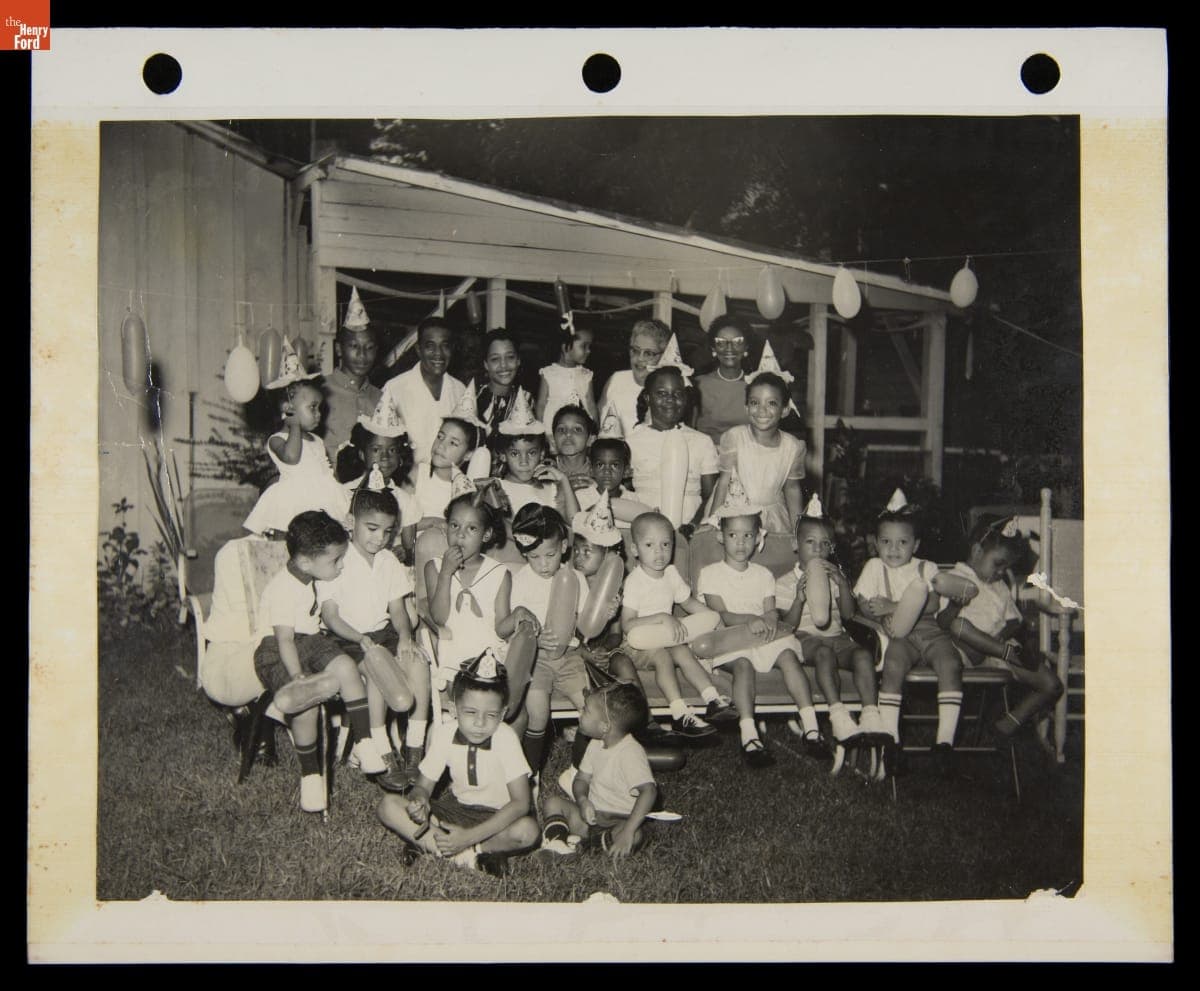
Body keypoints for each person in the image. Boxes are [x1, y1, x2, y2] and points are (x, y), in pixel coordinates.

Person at [251, 511, 385, 814]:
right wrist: (297, 673)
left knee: (346, 667)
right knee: (306, 703)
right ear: (306, 562)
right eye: (335, 561)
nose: (340, 566)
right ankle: (310, 774)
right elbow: (284, 640)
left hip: (311, 641)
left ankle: (365, 741)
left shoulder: (313, 574)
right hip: (277, 650)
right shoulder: (283, 588)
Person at [377, 651, 539, 877]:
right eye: (471, 712)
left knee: (528, 831)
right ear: (453, 710)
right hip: (455, 810)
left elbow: (521, 803)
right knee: (388, 805)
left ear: (502, 715)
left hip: (496, 818)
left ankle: (437, 845)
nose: (480, 723)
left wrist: (468, 837)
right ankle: (470, 856)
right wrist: (419, 801)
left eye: (491, 715)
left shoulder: (506, 738)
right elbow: (422, 787)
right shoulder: (445, 734)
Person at [697, 474, 817, 767]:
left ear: (758, 538)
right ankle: (749, 734)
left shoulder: (763, 576)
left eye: (748, 535)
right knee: (743, 665)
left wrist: (766, 620)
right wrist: (751, 619)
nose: (740, 542)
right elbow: (720, 614)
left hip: (761, 634)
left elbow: (770, 610)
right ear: (720, 536)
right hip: (730, 638)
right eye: (733, 535)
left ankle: (811, 726)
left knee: (788, 654)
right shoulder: (711, 573)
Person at [854, 490, 978, 768]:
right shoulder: (874, 567)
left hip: (929, 629)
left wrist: (892, 605)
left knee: (950, 663)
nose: (893, 549)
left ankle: (943, 742)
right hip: (900, 634)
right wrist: (877, 617)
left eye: (902, 542)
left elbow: (934, 602)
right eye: (886, 541)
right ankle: (891, 740)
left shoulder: (926, 567)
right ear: (875, 543)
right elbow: (862, 603)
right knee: (893, 665)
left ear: (916, 544)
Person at [317, 485, 430, 793]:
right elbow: (330, 616)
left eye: (387, 531)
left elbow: (397, 608)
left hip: (384, 633)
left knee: (418, 665)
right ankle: (382, 749)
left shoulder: (388, 562)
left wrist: (406, 637)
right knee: (376, 671)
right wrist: (360, 639)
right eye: (372, 528)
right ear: (350, 521)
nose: (379, 538)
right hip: (347, 638)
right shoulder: (337, 561)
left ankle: (414, 751)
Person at [937, 515, 1064, 742]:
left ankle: (1007, 724)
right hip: (964, 650)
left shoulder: (999, 587)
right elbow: (943, 623)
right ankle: (1004, 651)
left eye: (1006, 567)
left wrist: (998, 638)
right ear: (977, 552)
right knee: (958, 625)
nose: (1000, 571)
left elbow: (1014, 620)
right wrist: (955, 606)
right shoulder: (953, 577)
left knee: (1052, 685)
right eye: (998, 564)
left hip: (1000, 649)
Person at [776, 496, 885, 746]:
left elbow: (848, 615)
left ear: (832, 548)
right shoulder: (784, 582)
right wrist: (798, 599)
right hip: (803, 638)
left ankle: (870, 714)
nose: (817, 549)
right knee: (824, 652)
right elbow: (787, 626)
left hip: (837, 637)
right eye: (810, 542)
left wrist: (843, 584)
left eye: (825, 544)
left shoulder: (834, 578)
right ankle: (837, 714)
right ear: (795, 544)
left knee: (863, 656)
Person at [620, 512, 738, 738]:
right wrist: (661, 617)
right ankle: (679, 713)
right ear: (635, 550)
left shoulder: (671, 573)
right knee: (663, 656)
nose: (659, 552)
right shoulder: (635, 581)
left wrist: (714, 618)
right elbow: (627, 625)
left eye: (666, 544)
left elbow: (689, 602)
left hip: (667, 635)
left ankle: (713, 699)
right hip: (639, 644)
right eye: (649, 544)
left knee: (683, 652)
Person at [507, 505, 590, 775]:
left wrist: (605, 613)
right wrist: (536, 639)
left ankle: (579, 772)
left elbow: (589, 622)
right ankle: (532, 775)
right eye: (534, 557)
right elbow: (513, 625)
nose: (543, 564)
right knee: (538, 713)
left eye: (550, 555)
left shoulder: (576, 578)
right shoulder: (521, 580)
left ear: (564, 547)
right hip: (536, 660)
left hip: (570, 658)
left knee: (590, 712)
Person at [243, 341, 350, 537]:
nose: (318, 414)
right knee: (286, 540)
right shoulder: (277, 439)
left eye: (319, 408)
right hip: (293, 500)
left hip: (321, 497)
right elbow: (292, 457)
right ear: (288, 408)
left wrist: (338, 494)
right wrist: (293, 425)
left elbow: (326, 470)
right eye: (312, 407)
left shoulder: (317, 440)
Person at [540, 681, 657, 859]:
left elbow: (648, 791)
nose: (580, 713)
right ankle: (557, 843)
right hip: (592, 819)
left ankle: (583, 847)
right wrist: (582, 800)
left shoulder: (630, 752)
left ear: (604, 726)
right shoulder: (595, 743)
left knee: (636, 834)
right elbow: (582, 779)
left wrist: (628, 831)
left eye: (585, 710)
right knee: (553, 803)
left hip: (620, 820)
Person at [423, 484, 514, 691]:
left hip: (490, 657)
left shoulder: (500, 573)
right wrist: (446, 573)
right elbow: (439, 618)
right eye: (454, 525)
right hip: (452, 657)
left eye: (471, 528)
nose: (460, 535)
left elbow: (501, 628)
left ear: (486, 535)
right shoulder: (435, 567)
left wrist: (517, 616)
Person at [709, 351, 806, 536]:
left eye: (771, 403)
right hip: (735, 513)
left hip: (773, 519)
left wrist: (798, 531)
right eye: (755, 402)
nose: (762, 410)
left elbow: (793, 489)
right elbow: (723, 483)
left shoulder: (793, 447)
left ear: (785, 410)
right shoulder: (735, 438)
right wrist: (713, 520)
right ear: (746, 408)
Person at [627, 358, 720, 534]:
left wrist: (693, 525)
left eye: (677, 394)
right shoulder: (632, 442)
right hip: (644, 530)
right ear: (648, 398)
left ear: (685, 399)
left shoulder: (702, 442)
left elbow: (711, 496)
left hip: (690, 529)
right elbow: (624, 490)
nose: (670, 400)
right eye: (661, 393)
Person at [337, 395, 419, 559]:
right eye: (376, 450)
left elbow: (409, 546)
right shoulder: (344, 493)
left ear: (400, 457)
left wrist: (404, 552)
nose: (384, 457)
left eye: (392, 450)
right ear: (362, 454)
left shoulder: (406, 501)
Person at [381, 317, 466, 468]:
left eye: (445, 346)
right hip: (407, 485)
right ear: (418, 350)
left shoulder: (460, 391)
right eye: (430, 346)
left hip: (449, 484)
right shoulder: (394, 389)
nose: (438, 353)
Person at [491, 390, 580, 521]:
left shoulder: (552, 490)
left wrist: (563, 480)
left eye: (531, 453)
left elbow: (576, 523)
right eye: (515, 454)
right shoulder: (497, 489)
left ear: (542, 453)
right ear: (503, 456)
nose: (524, 461)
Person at [321, 286, 383, 462]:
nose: (362, 355)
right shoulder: (320, 392)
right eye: (354, 346)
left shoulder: (381, 398)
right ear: (339, 349)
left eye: (369, 348)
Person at [598, 318, 671, 438]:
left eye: (648, 353)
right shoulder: (616, 380)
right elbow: (598, 424)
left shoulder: (668, 391)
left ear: (663, 356)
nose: (639, 358)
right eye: (635, 351)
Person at [477, 328, 533, 472]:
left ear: (518, 360)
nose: (504, 365)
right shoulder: (475, 400)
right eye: (495, 359)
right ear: (485, 364)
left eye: (510, 357)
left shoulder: (527, 399)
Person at [536, 324, 598, 449]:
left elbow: (590, 404)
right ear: (565, 347)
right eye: (584, 346)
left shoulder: (586, 374)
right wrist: (541, 432)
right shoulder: (549, 373)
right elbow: (541, 404)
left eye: (589, 346)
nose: (588, 350)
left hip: (578, 430)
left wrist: (596, 430)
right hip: (552, 430)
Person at [692, 314, 752, 443]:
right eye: (721, 342)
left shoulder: (756, 386)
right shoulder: (698, 385)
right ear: (713, 348)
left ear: (746, 347)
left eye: (737, 342)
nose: (729, 348)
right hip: (708, 457)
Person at [552, 404, 598, 500]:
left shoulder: (599, 473)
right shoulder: (545, 473)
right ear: (553, 439)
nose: (567, 434)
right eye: (561, 429)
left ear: (591, 439)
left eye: (577, 429)